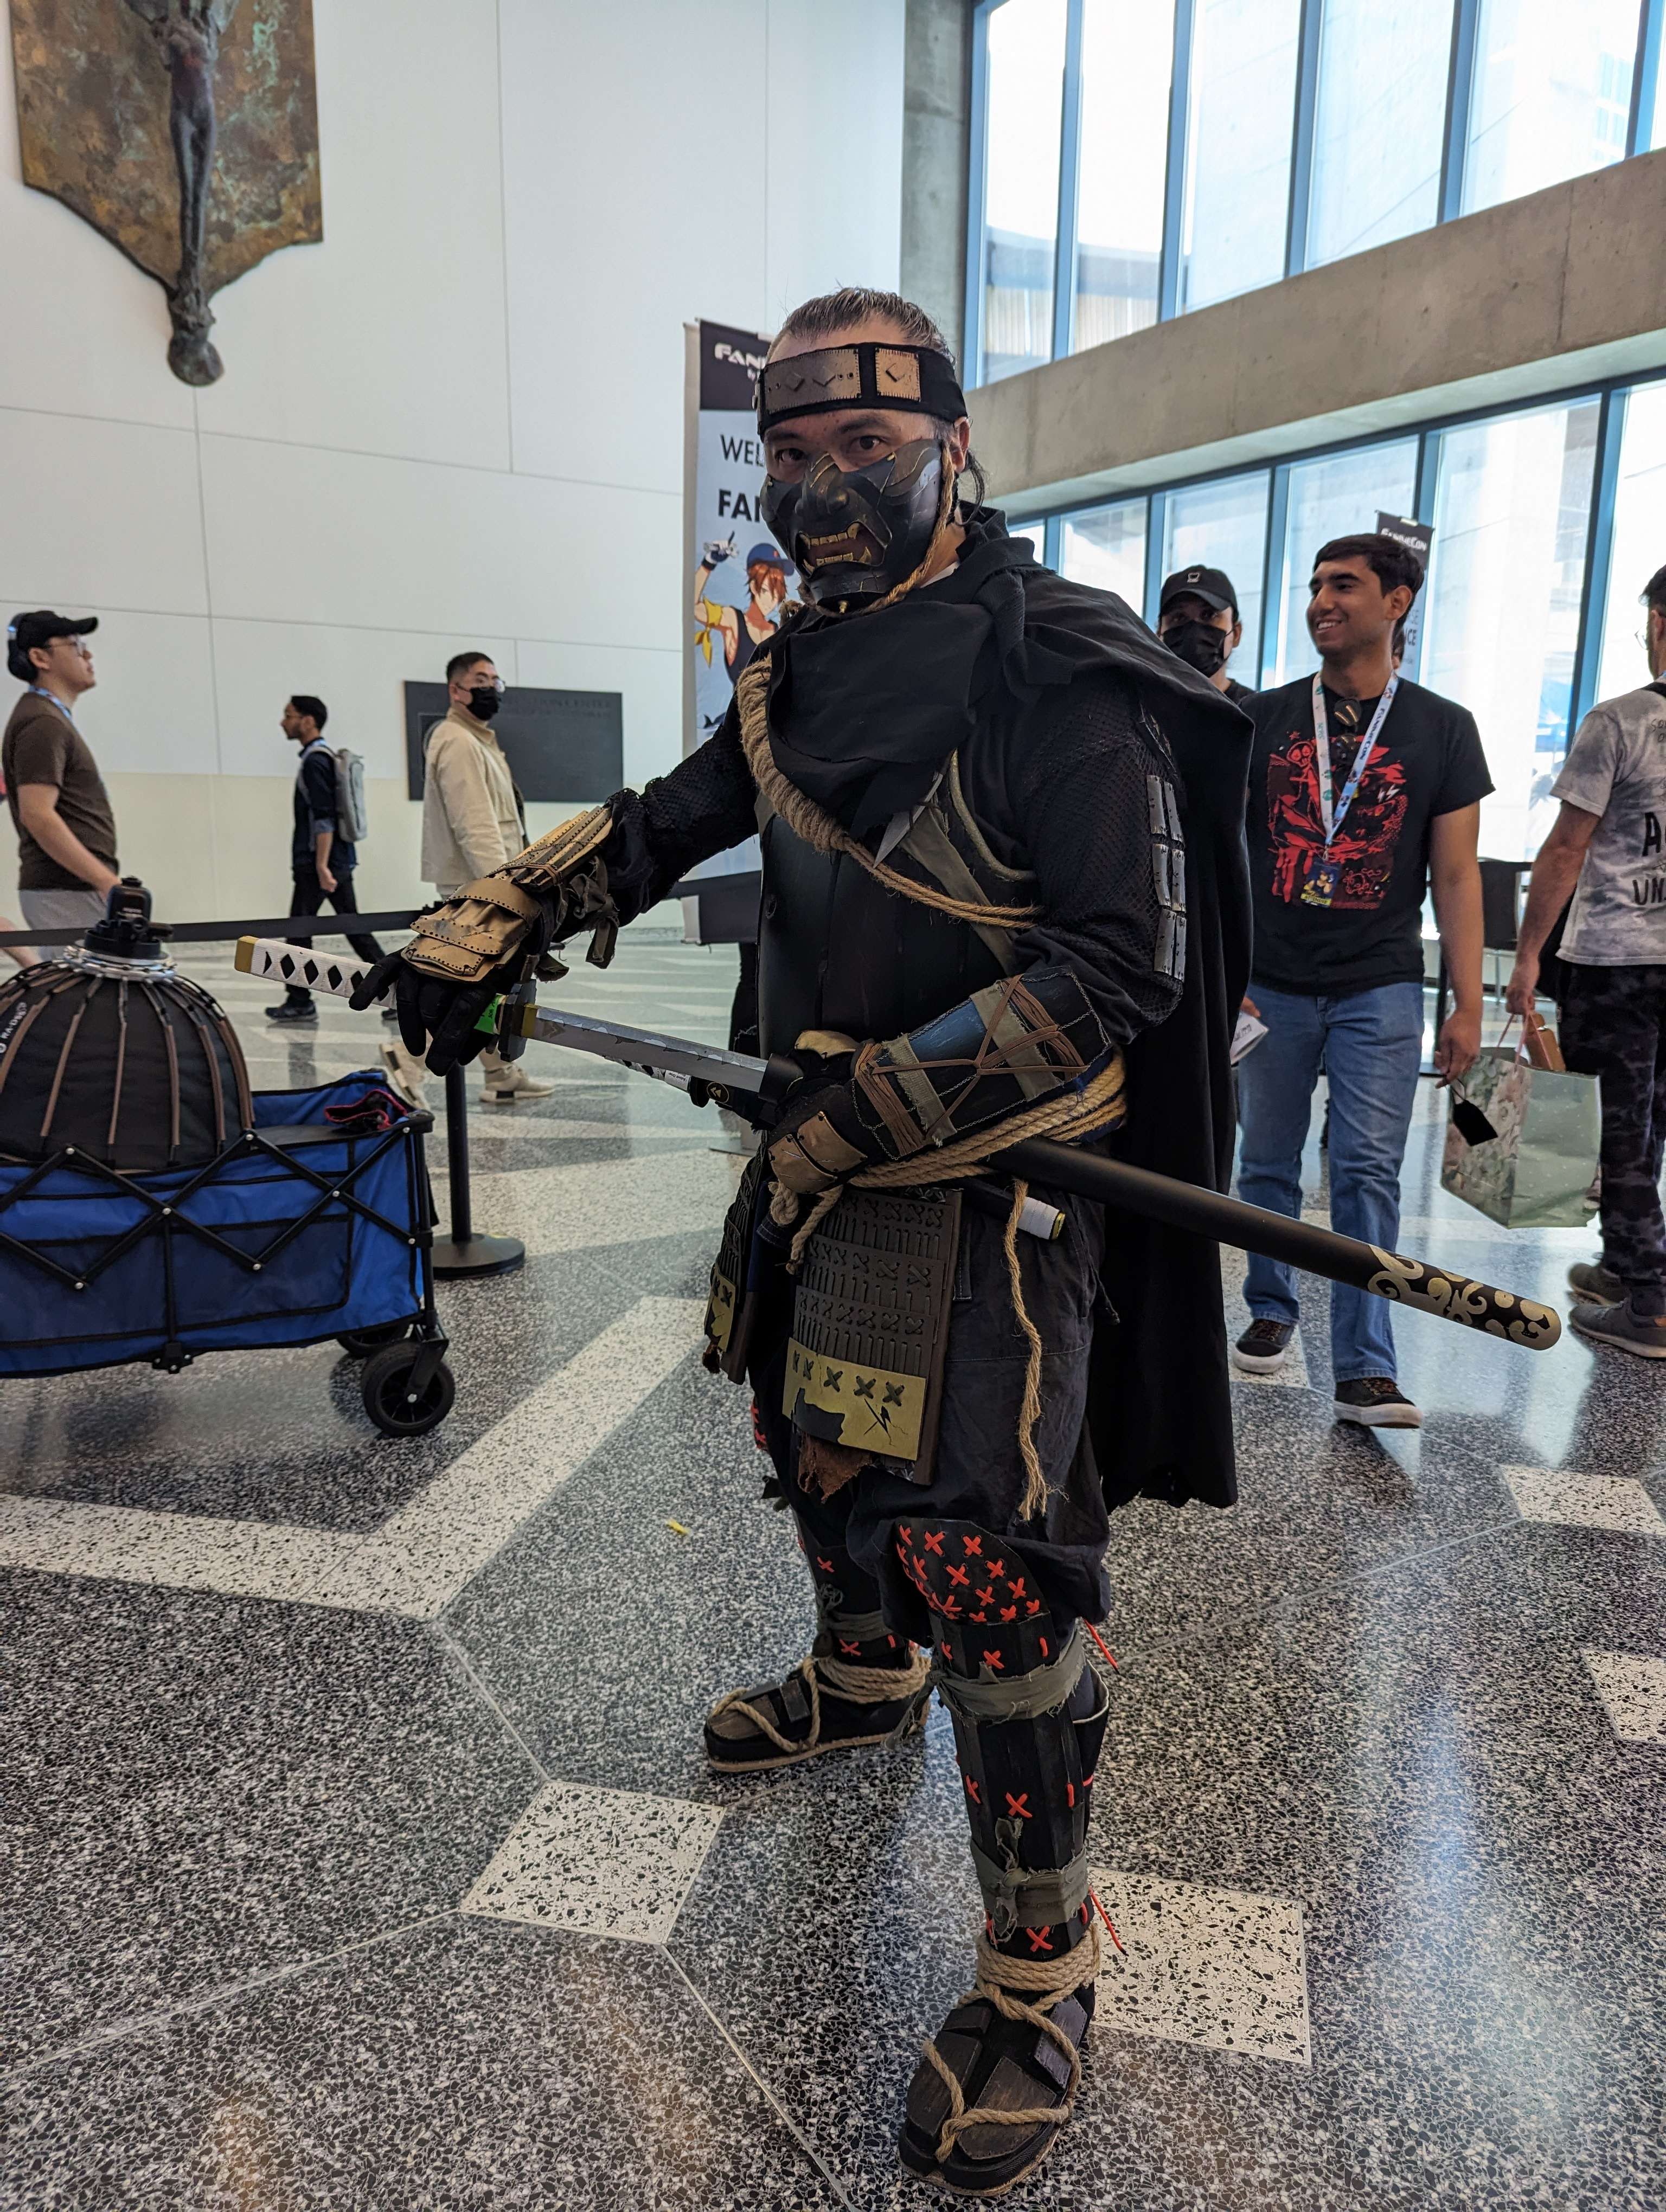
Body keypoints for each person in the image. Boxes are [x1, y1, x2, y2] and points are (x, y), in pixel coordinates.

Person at [354, 287, 1251, 2196]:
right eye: (786, 455)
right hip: (822, 1153)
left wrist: (857, 1113)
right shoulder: (789, 677)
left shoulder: (1063, 680)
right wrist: (500, 918)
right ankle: (860, 1675)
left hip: (996, 1176)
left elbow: (1118, 965)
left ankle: (1039, 1964)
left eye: (861, 448)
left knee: (986, 1575)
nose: (822, 488)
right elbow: (673, 821)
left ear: (952, 443)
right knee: (806, 1445)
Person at [1233, 533, 1489, 1427]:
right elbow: (1226, 856)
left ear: (1397, 601)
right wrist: (1228, 976)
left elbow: (1455, 876)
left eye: (1342, 585)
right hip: (1269, 979)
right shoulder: (1263, 720)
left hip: (1380, 982)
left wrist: (1466, 1003)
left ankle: (1364, 1368)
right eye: (1312, 587)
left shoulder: (1441, 728)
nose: (1319, 601)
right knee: (1263, 1162)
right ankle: (1269, 1309)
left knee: (1367, 1170)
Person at [1505, 563, 1666, 1358]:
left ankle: (1649, 1304)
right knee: (1655, 1123)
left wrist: (1529, 955)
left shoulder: (1621, 722)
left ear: (1661, 625)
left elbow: (1567, 847)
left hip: (1617, 962)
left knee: (1619, 1136)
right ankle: (1624, 1265)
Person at [419, 653, 552, 1103]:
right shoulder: (457, 741)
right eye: (480, 679)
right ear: (456, 690)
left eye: (496, 679)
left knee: (486, 981)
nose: (491, 687)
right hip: (479, 888)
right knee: (465, 983)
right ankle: (404, 1059)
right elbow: (474, 823)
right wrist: (504, 890)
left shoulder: (477, 740)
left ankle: (499, 1073)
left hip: (483, 882)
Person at [265, 696, 398, 1030]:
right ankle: (396, 991)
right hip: (331, 861)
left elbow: (323, 819)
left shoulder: (315, 761)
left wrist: (322, 866)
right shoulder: (321, 758)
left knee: (299, 931)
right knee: (352, 928)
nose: (283, 722)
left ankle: (300, 1002)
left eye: (289, 715)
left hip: (319, 864)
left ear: (308, 721)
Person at [4, 611, 120, 934]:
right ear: (40, 658)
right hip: (67, 890)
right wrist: (106, 881)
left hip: (69, 889)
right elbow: (38, 815)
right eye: (75, 644)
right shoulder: (43, 722)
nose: (87, 653)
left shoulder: (48, 717)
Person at [1156, 565, 1256, 706]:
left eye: (1209, 615)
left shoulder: (1258, 714)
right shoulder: (1141, 709)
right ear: (1158, 635)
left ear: (1236, 634)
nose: (1193, 630)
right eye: (1179, 617)